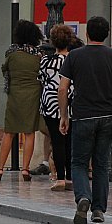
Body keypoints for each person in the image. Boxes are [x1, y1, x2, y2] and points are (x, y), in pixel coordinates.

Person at [58, 16, 112, 224]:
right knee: (101, 164)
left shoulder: (75, 56)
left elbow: (62, 88)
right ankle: (98, 209)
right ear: (106, 34)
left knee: (79, 162)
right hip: (107, 116)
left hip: (82, 115)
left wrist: (63, 115)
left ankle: (82, 198)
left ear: (87, 33)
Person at [0, 20, 44, 181]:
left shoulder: (11, 54)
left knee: (9, 133)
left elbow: (5, 70)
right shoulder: (39, 55)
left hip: (15, 95)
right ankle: (26, 169)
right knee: (29, 133)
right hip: (33, 95)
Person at [39, 25, 76, 192]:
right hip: (71, 102)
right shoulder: (74, 59)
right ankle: (70, 178)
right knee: (70, 142)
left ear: (53, 41)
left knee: (57, 140)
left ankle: (60, 177)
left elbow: (41, 79)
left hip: (50, 104)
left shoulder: (46, 61)